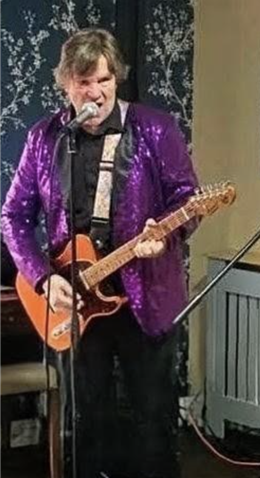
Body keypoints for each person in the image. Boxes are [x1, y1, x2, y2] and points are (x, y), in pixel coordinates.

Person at [1, 28, 199, 478]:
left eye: (104, 80)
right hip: (76, 301)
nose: (96, 92)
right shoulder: (46, 137)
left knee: (152, 424)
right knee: (86, 423)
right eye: (84, 82)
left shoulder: (155, 129)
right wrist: (42, 278)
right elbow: (12, 216)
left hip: (146, 299)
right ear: (66, 86)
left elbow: (187, 199)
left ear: (116, 79)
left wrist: (165, 237)